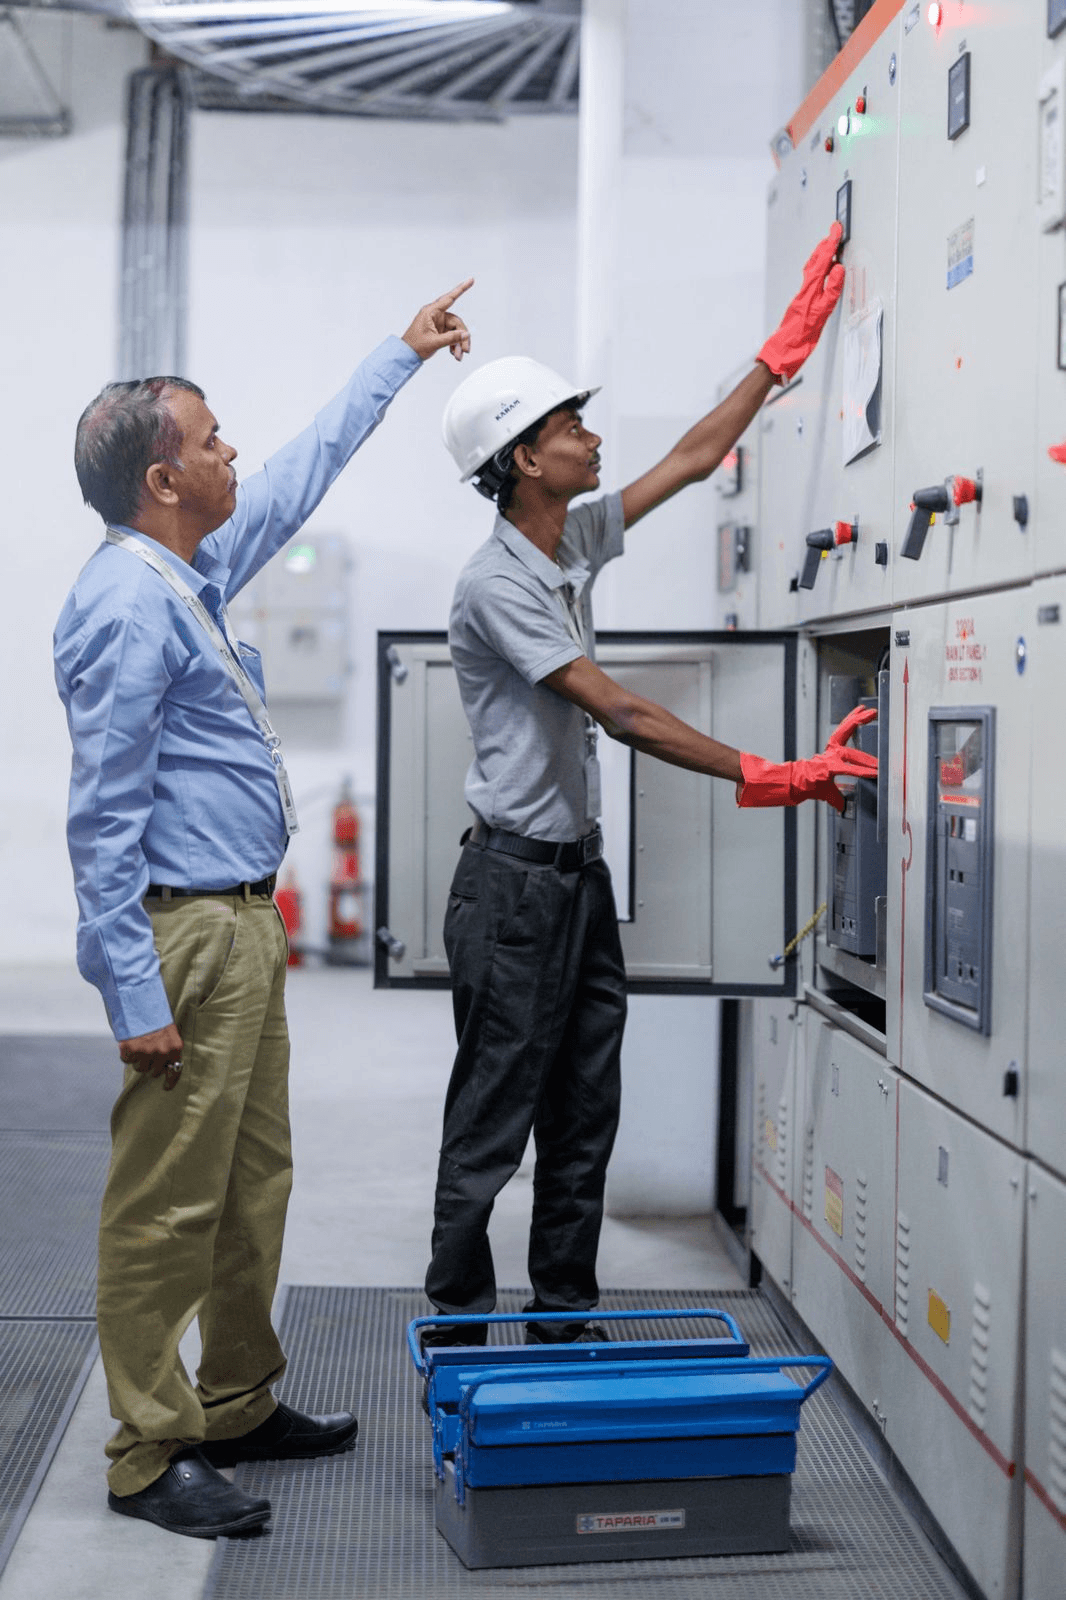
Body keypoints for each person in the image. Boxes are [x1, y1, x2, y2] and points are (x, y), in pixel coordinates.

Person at [54, 281, 472, 1539]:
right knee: (167, 1199)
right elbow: (100, 819)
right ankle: (147, 1449)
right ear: (162, 481)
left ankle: (234, 1398)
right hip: (184, 931)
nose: (234, 452)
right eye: (213, 440)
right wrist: (133, 992)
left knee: (250, 1180)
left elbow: (299, 475)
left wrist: (394, 360)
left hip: (242, 922)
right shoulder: (129, 603)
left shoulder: (185, 573)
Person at [424, 222, 875, 1348]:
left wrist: (776, 358)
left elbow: (686, 461)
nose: (590, 436)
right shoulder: (497, 583)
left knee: (584, 1107)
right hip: (514, 892)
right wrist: (767, 773)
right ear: (521, 459)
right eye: (569, 425)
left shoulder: (566, 536)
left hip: (573, 885)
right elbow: (616, 708)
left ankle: (565, 1322)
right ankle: (458, 1334)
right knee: (493, 1118)